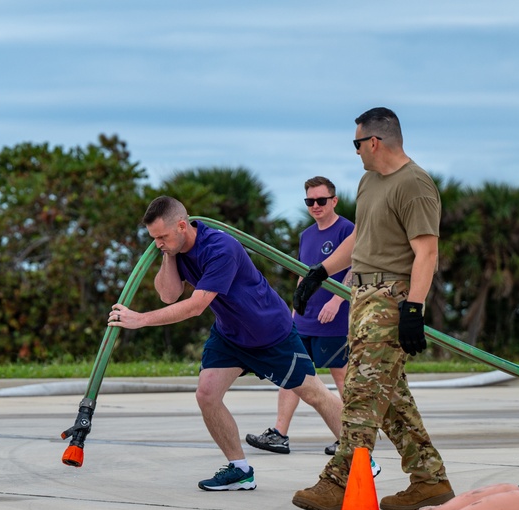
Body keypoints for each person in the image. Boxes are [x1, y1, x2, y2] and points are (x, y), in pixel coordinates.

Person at [108, 196, 343, 491]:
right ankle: (240, 469)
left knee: (314, 394)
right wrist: (168, 253)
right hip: (230, 335)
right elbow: (168, 295)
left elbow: (195, 306)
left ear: (182, 226)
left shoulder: (220, 248)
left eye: (162, 237)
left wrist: (140, 319)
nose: (157, 244)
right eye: (154, 238)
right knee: (207, 394)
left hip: (269, 333)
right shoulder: (176, 249)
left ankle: (360, 456)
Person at [291, 106, 454, 510]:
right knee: (391, 397)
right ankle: (430, 480)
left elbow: (426, 251)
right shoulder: (369, 181)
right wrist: (321, 271)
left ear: (375, 142)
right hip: (361, 296)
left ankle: (339, 480)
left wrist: (413, 309)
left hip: (390, 298)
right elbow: (361, 236)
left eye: (357, 143)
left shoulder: (414, 185)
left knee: (362, 393)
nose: (356, 151)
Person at [246, 176, 353, 457]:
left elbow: (357, 268)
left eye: (321, 200)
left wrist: (337, 300)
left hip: (335, 319)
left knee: (341, 377)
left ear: (334, 200)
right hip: (304, 319)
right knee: (290, 373)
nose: (315, 206)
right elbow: (303, 273)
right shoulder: (306, 235)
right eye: (310, 201)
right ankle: (279, 434)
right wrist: (295, 306)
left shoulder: (347, 230)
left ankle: (352, 436)